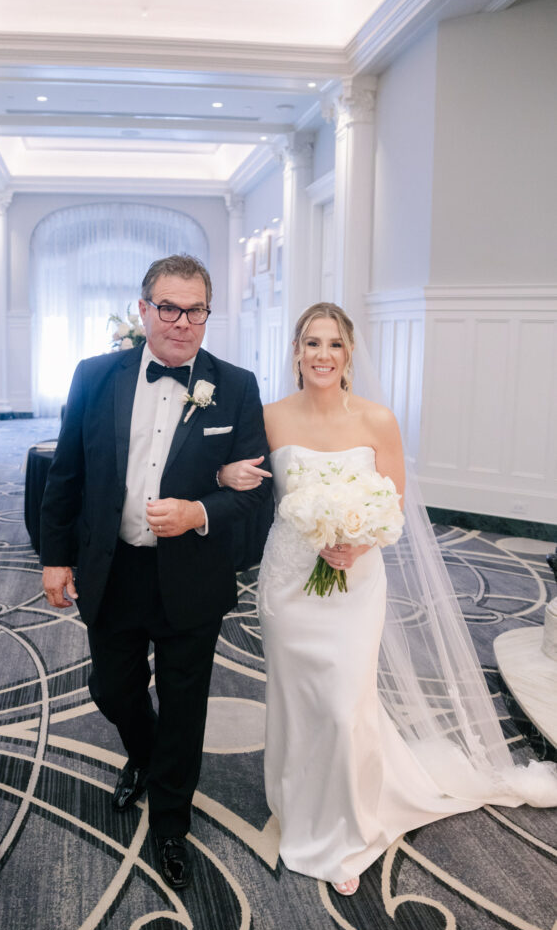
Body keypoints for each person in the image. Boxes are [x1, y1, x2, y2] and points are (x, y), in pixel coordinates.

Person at [218, 301, 557, 897]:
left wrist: (356, 540)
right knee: (298, 701)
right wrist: (224, 478)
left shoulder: (377, 419)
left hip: (354, 582)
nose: (322, 355)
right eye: (311, 343)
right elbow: (234, 479)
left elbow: (393, 506)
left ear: (349, 356)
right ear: (296, 352)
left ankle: (348, 831)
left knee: (346, 704)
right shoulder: (269, 417)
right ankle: (298, 808)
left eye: (334, 345)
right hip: (288, 583)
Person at [39, 254, 272, 892]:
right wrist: (55, 557)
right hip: (112, 569)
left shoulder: (237, 385)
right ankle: (144, 757)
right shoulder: (95, 376)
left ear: (207, 314)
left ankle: (172, 821)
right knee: (112, 690)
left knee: (186, 701)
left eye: (195, 310)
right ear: (143, 311)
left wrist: (199, 509)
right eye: (167, 307)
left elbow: (256, 493)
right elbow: (68, 474)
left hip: (190, 575)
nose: (181, 322)